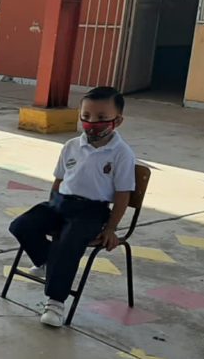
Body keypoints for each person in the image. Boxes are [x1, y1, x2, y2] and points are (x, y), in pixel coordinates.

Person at [9, 86, 135, 327]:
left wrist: (111, 228)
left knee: (67, 244)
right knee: (22, 225)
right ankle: (48, 262)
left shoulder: (121, 154)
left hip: (92, 211)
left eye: (101, 117)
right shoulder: (71, 146)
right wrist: (51, 204)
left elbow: (122, 195)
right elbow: (59, 180)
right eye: (86, 116)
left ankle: (55, 303)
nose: (92, 123)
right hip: (60, 204)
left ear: (117, 121)